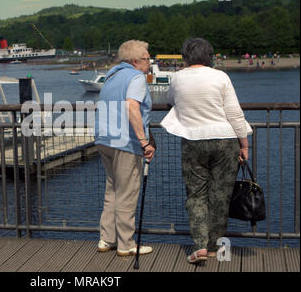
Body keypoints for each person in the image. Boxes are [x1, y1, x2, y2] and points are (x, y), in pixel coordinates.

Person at [160, 38, 252, 264]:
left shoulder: (177, 78)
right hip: (224, 140)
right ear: (209, 55)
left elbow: (170, 101)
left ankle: (199, 245)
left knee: (196, 195)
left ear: (185, 56)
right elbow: (234, 113)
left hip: (193, 141)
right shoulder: (220, 77)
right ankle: (214, 247)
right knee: (221, 196)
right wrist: (244, 144)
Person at [95, 40, 155, 256]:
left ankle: (106, 239)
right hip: (125, 141)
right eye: (148, 58)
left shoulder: (111, 75)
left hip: (104, 138)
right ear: (136, 61)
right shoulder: (136, 77)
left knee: (112, 189)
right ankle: (126, 244)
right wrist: (144, 141)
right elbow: (132, 107)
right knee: (127, 193)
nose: (150, 62)